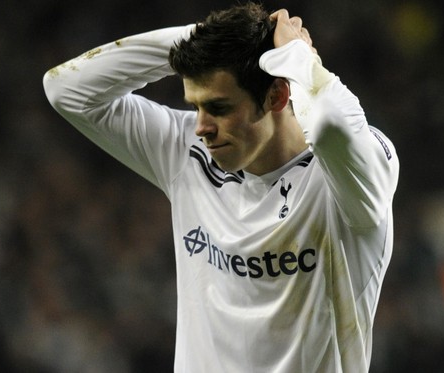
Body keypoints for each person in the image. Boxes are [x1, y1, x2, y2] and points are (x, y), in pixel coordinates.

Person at [43, 2, 399, 372]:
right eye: (195, 107)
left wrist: (297, 56)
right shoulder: (186, 154)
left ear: (277, 95)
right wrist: (209, 42)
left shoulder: (345, 183)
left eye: (219, 107)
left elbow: (328, 125)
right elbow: (66, 89)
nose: (201, 127)